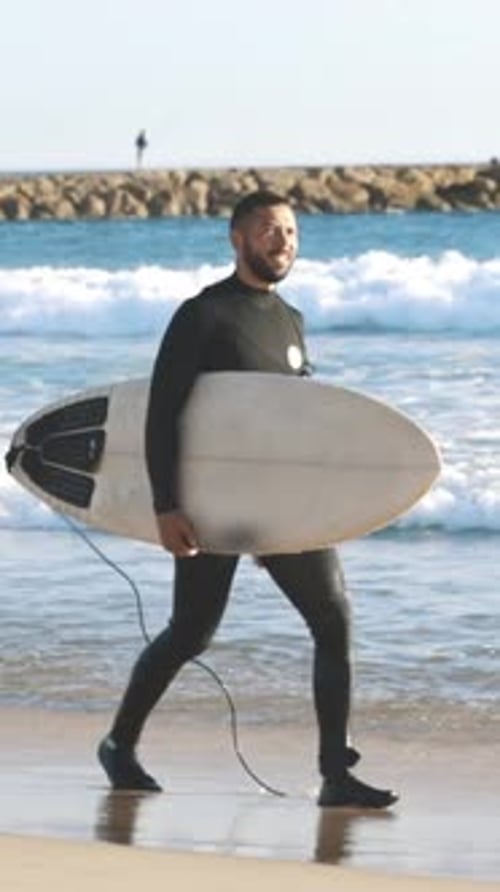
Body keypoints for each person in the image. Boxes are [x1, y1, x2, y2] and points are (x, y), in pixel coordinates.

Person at [97, 191, 399, 809]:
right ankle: (118, 744)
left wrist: (293, 515)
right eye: (268, 229)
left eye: (290, 230)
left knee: (333, 617)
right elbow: (164, 416)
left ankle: (335, 773)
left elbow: (287, 430)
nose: (282, 240)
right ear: (237, 238)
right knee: (192, 632)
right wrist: (166, 505)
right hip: (208, 502)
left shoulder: (290, 320)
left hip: (275, 505)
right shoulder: (202, 315)